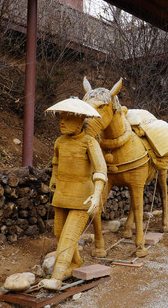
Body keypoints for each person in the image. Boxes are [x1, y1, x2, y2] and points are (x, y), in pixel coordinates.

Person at [42, 97, 107, 290]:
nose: (62, 121)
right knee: (59, 233)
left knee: (68, 237)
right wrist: (54, 178)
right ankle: (74, 263)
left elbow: (101, 170)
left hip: (81, 197)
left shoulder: (89, 142)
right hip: (61, 194)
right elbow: (55, 161)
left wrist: (97, 195)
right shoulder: (59, 142)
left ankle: (57, 278)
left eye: (68, 118)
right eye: (61, 117)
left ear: (80, 121)